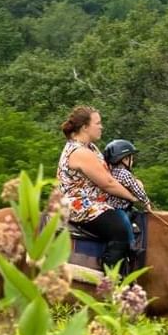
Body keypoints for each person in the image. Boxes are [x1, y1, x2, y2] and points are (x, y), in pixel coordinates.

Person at [56, 106, 141, 269]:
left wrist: (133, 183)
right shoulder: (80, 152)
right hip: (79, 205)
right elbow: (107, 183)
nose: (101, 126)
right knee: (120, 229)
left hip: (94, 201)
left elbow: (110, 175)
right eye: (98, 123)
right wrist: (133, 197)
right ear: (84, 127)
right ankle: (111, 278)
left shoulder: (90, 148)